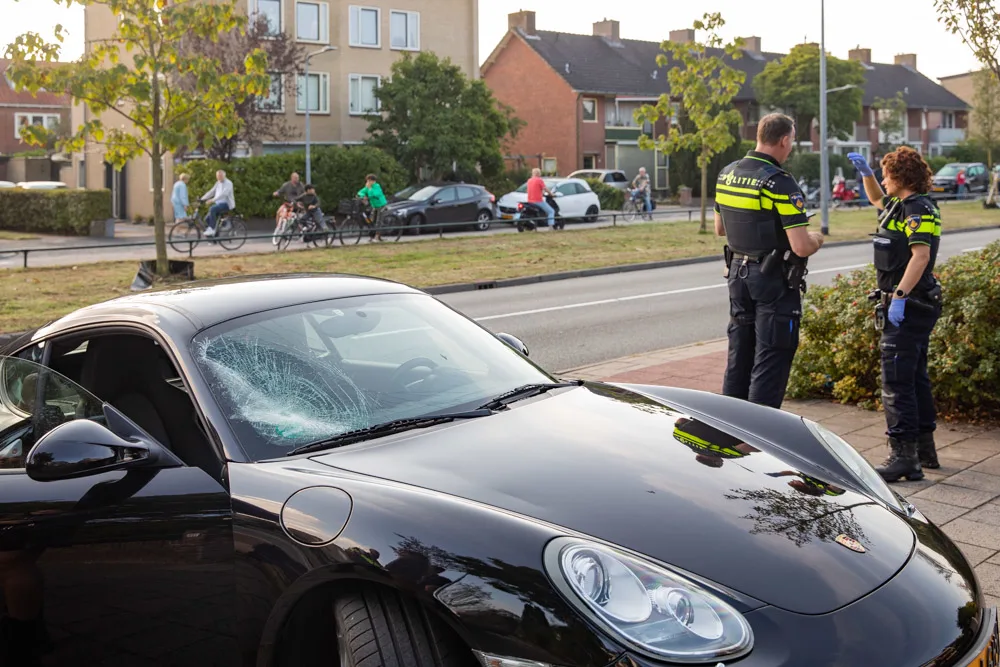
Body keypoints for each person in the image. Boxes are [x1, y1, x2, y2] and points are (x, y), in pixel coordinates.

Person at [714, 113, 826, 409]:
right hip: (772, 282)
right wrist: (818, 237)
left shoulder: (727, 173)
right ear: (785, 140)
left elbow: (720, 228)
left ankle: (730, 428)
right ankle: (759, 440)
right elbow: (800, 247)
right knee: (771, 358)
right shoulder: (779, 182)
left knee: (740, 355)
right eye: (791, 143)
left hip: (737, 276)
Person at [848, 147, 943, 483]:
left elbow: (920, 256)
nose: (884, 180)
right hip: (910, 302)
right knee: (915, 375)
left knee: (896, 381)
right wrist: (867, 175)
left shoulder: (917, 208)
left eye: (887, 174)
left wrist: (899, 296)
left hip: (910, 303)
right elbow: (877, 199)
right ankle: (924, 449)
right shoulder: (900, 205)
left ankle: (904, 458)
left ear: (902, 178)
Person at [200, 169, 235, 237]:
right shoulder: (218, 182)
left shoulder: (228, 183)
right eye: (217, 176)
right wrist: (202, 198)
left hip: (227, 204)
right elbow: (212, 191)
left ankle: (212, 229)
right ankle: (216, 235)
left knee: (212, 209)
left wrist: (212, 200)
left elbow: (224, 194)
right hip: (219, 204)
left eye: (220, 176)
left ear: (224, 175)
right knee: (207, 219)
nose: (219, 178)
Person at [357, 174, 388, 241]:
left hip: (381, 205)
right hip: (374, 206)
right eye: (367, 181)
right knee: (371, 221)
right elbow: (360, 192)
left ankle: (376, 237)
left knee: (378, 221)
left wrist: (370, 189)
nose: (367, 182)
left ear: (372, 181)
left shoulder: (377, 186)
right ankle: (373, 236)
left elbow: (374, 194)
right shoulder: (368, 187)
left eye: (368, 181)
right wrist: (362, 196)